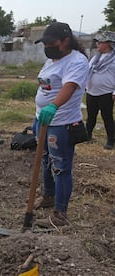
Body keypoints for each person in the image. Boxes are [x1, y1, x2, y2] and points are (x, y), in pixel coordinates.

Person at [32, 22, 89, 227]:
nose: (47, 47)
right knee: (46, 160)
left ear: (66, 41)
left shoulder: (77, 61)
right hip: (42, 119)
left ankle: (60, 214)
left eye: (51, 43)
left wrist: (53, 106)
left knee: (61, 167)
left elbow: (70, 86)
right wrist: (40, 113)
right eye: (44, 44)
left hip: (61, 122)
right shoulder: (52, 60)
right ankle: (48, 196)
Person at [85, 31, 115, 150]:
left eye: (100, 42)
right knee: (91, 115)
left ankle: (111, 140)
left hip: (106, 93)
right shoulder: (95, 58)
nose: (97, 44)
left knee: (107, 117)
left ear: (109, 44)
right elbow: (87, 71)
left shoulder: (113, 59)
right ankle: (88, 135)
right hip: (91, 91)